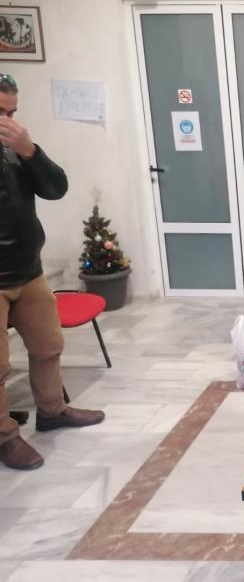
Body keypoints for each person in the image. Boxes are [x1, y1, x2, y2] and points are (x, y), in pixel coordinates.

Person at [0, 74, 105, 470]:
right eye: (0, 111)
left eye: (12, 112)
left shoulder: (16, 150)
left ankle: (52, 410)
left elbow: (56, 188)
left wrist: (30, 151)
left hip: (28, 271)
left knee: (48, 346)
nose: (7, 121)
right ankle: (6, 437)